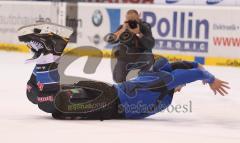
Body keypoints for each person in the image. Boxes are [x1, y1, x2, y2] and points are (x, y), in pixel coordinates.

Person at [19, 23, 230, 120]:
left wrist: (196, 67)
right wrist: (207, 76)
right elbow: (187, 74)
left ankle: (44, 57)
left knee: (35, 94)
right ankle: (51, 54)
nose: (181, 86)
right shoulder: (165, 81)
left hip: (103, 91)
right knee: (54, 105)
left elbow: (182, 69)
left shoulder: (158, 72)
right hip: (107, 102)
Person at [105, 9, 155, 83]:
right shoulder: (123, 28)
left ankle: (143, 79)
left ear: (138, 17)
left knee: (149, 56)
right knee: (117, 79)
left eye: (134, 20)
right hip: (126, 58)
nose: (132, 23)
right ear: (126, 19)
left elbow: (151, 44)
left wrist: (139, 33)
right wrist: (121, 31)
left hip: (141, 57)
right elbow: (110, 40)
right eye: (129, 20)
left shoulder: (145, 27)